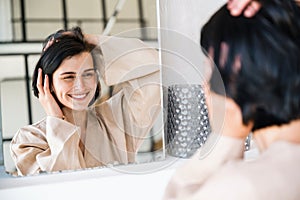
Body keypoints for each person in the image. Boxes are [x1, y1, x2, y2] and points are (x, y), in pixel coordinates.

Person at [163, 0, 300, 199]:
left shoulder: (244, 187)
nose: (204, 86)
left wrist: (225, 137)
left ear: (237, 74)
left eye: (209, 71)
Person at [10, 27, 161, 176]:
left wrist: (89, 40)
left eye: (88, 74)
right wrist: (57, 121)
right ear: (46, 82)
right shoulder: (28, 141)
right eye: (68, 77)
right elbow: (65, 186)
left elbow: (156, 67)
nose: (80, 86)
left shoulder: (115, 119)